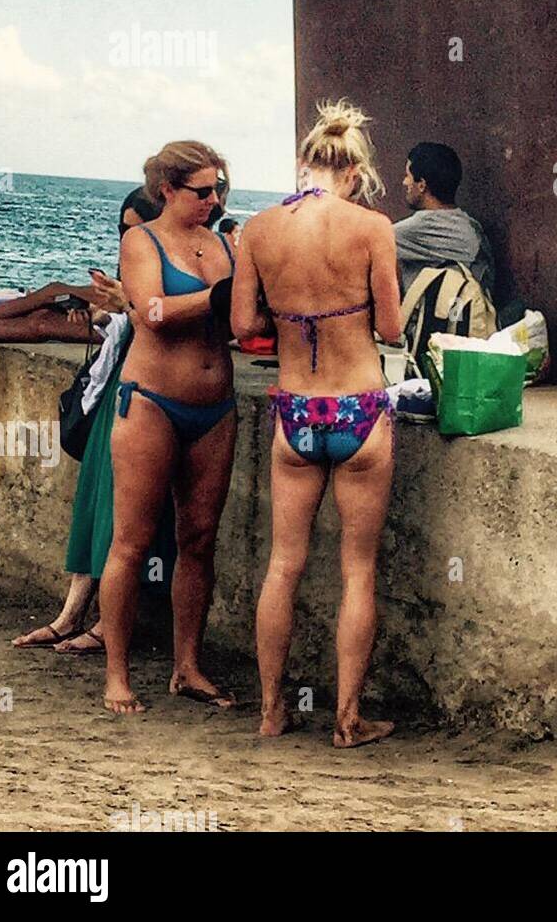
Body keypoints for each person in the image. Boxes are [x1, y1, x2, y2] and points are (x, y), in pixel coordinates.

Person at [231, 99, 402, 748]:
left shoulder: (258, 231)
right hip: (358, 408)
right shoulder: (372, 228)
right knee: (358, 570)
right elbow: (389, 328)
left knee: (284, 565)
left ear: (303, 164)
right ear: (354, 174)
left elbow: (244, 326)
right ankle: (347, 721)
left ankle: (273, 711)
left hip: (295, 412)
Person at [98, 143, 237, 714]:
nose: (214, 199)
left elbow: (247, 318)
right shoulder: (142, 241)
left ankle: (188, 667)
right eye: (202, 191)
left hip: (215, 405)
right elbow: (150, 310)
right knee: (130, 541)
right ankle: (116, 673)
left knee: (199, 538)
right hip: (152, 400)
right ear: (168, 191)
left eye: (219, 189)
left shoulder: (227, 242)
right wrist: (218, 297)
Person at [12, 188, 177, 654]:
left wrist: (126, 303)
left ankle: (110, 621)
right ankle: (71, 614)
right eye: (122, 228)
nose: (126, 236)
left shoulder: (168, 261)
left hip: (147, 387)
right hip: (117, 386)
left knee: (124, 510)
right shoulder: (138, 260)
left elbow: (162, 325)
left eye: (133, 227)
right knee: (93, 500)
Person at [395, 142, 494, 296]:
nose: (404, 182)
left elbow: (373, 240)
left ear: (421, 185)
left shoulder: (424, 226)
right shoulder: (471, 225)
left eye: (408, 176)